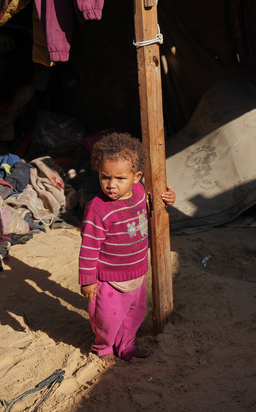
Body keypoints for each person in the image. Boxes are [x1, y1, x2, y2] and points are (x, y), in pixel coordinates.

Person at [79, 132, 175, 361]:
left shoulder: (141, 193)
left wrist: (169, 198)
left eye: (120, 178)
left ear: (136, 177)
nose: (111, 185)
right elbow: (89, 247)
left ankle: (126, 346)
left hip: (137, 273)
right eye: (105, 177)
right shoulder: (97, 209)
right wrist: (88, 280)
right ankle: (103, 348)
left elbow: (158, 203)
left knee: (134, 314)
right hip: (109, 278)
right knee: (107, 318)